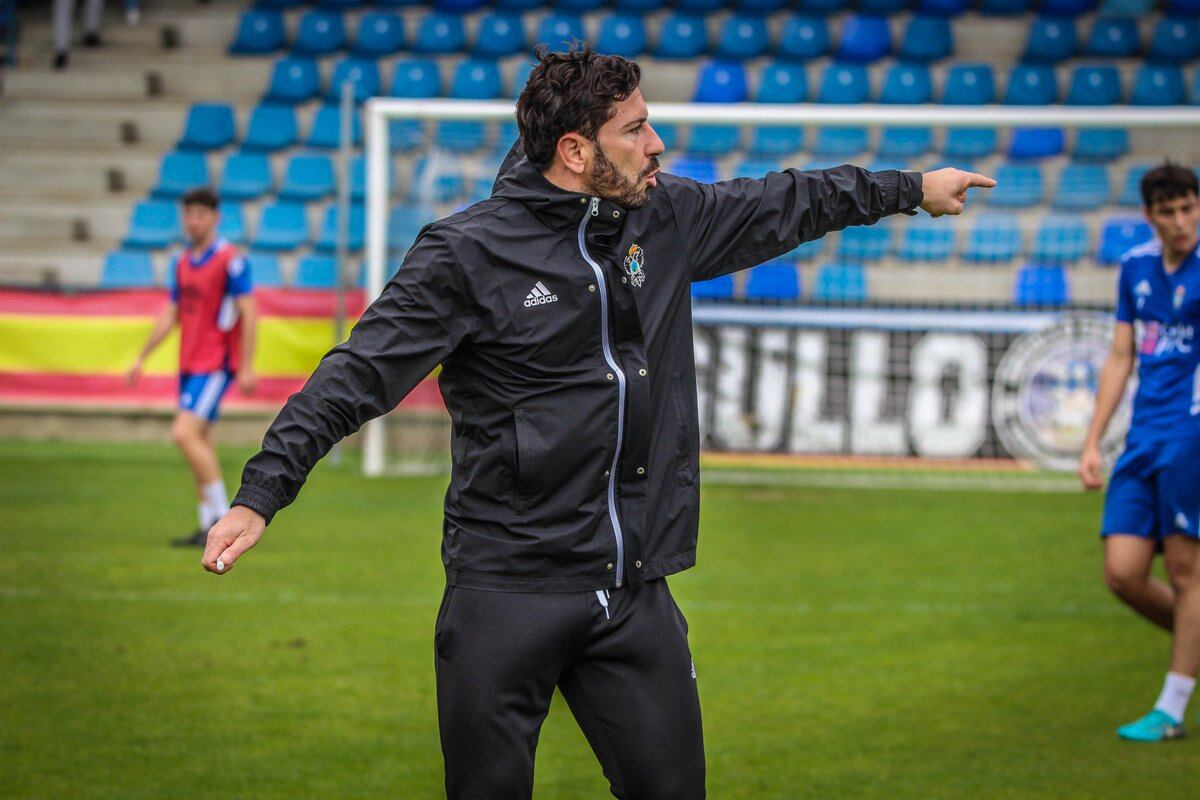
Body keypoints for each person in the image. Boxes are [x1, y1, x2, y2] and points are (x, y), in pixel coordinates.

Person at [203, 48, 993, 798]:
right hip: (506, 588)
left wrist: (910, 189)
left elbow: (787, 200)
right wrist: (260, 491)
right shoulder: (466, 254)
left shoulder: (667, 218)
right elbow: (356, 376)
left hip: (631, 589)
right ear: (577, 150)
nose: (657, 144)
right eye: (635, 129)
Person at [1079, 161, 1200, 743]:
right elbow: (1122, 356)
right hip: (1142, 437)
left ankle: (1172, 708)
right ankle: (1192, 642)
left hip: (1191, 436)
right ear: (1150, 217)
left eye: (1189, 208)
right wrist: (1092, 440)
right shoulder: (1136, 269)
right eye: (1170, 212)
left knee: (1185, 572)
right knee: (1123, 573)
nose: (1182, 222)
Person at [127, 187, 257, 547]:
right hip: (189, 363)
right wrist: (143, 356)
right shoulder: (183, 262)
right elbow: (172, 313)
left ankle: (220, 518)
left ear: (215, 217)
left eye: (200, 214)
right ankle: (206, 525)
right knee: (200, 442)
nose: (193, 221)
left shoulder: (230, 259)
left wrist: (247, 365)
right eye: (188, 215)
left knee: (183, 434)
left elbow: (249, 310)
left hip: (215, 363)